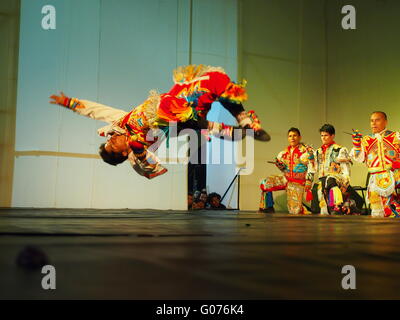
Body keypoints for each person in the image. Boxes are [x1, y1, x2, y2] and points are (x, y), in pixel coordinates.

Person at [50, 64, 270, 179]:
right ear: (121, 153)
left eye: (110, 140)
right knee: (206, 122)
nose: (113, 138)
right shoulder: (135, 152)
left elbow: (96, 111)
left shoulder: (120, 123)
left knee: (211, 81)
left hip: (170, 101)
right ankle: (246, 130)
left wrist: (69, 102)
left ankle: (246, 122)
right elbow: (150, 169)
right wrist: (139, 153)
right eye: (113, 144)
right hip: (175, 120)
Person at [351, 111, 400, 217]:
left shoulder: (396, 136)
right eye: (371, 121)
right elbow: (359, 158)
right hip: (374, 178)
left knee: (394, 208)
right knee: (376, 208)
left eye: (377, 120)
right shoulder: (366, 140)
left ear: (385, 122)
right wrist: (357, 144)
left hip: (394, 176)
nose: (373, 123)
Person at [259, 127, 315, 214]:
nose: (292, 138)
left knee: (294, 211)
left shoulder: (306, 151)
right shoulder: (284, 152)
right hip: (286, 178)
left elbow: (312, 166)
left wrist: (309, 180)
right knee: (265, 183)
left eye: (295, 135)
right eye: (290, 136)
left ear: (300, 137)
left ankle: (303, 208)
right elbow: (283, 168)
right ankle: (268, 207)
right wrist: (280, 166)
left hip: (297, 182)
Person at [314, 124, 352, 215]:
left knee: (335, 208)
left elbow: (346, 170)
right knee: (324, 209)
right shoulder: (318, 152)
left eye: (326, 135)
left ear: (332, 135)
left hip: (336, 181)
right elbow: (314, 168)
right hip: (322, 181)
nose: (323, 138)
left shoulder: (340, 149)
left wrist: (345, 184)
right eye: (322, 135)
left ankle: (337, 207)